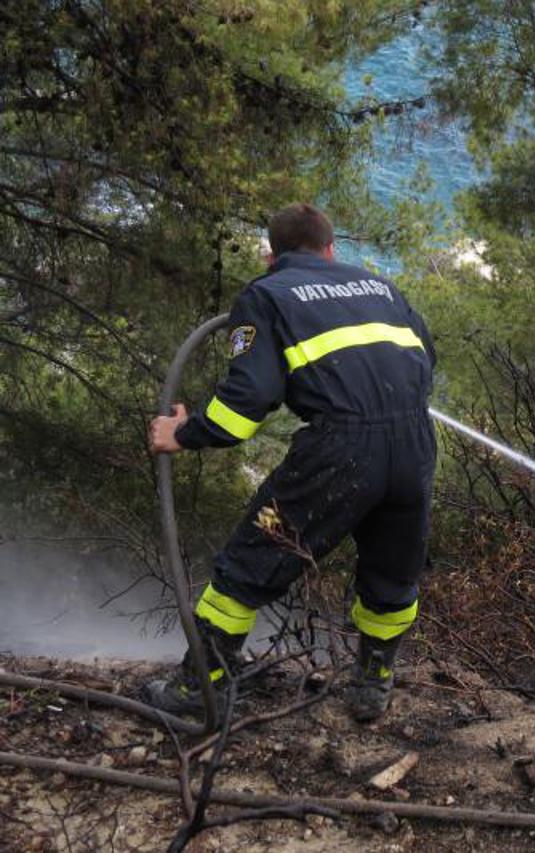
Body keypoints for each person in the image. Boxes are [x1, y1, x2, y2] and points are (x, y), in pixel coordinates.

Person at [146, 203, 437, 722]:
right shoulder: (380, 287)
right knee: (393, 575)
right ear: (331, 250)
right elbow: (424, 359)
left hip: (339, 453)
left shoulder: (266, 295)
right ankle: (372, 686)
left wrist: (182, 434)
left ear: (269, 256)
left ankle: (198, 690)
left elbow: (244, 406)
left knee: (247, 566)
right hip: (414, 442)